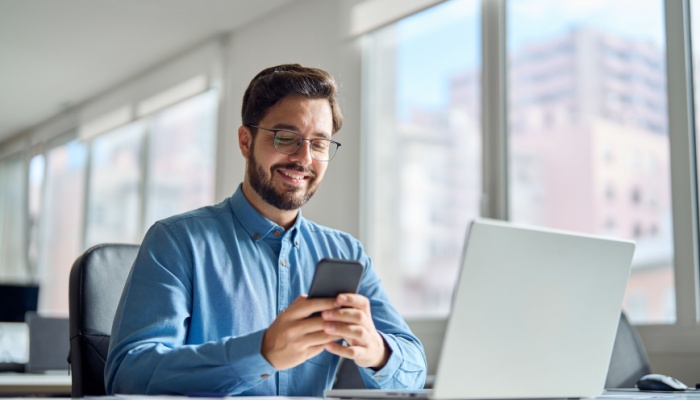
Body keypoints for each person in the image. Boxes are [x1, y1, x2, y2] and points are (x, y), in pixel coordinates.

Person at [105, 64, 427, 396]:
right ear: (246, 141)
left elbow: (415, 370)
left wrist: (376, 350)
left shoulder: (347, 254)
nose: (304, 158)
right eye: (286, 138)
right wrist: (262, 353)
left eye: (319, 144)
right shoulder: (176, 241)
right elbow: (129, 372)